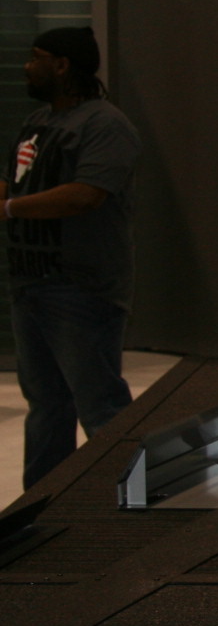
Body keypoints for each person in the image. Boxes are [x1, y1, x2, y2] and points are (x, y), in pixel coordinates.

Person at [2, 27, 141, 490]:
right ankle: (41, 506)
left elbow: (85, 196)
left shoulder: (105, 124)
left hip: (80, 287)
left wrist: (10, 208)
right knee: (46, 405)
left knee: (101, 407)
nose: (27, 65)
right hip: (30, 284)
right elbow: (22, 186)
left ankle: (135, 511)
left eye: (36, 57)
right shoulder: (38, 123)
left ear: (62, 65)